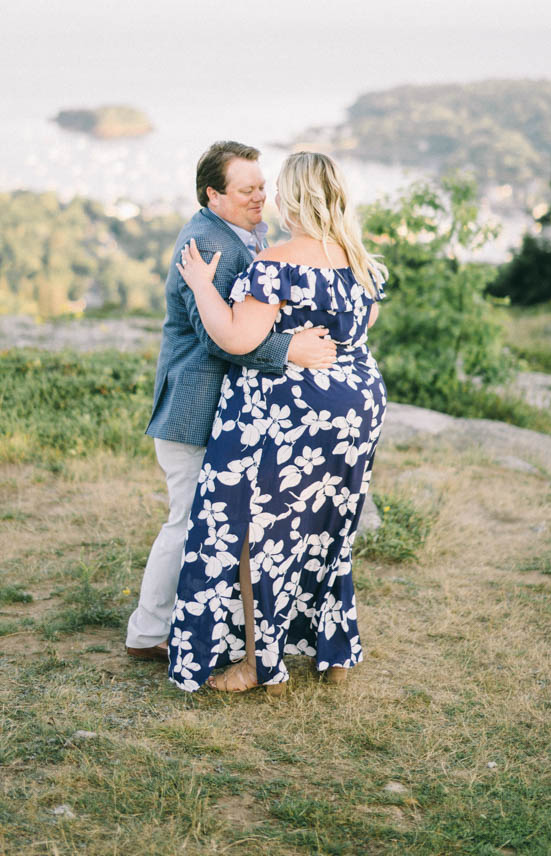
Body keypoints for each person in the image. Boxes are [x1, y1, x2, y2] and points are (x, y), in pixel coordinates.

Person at [168, 150, 387, 694]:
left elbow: (238, 338)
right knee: (328, 530)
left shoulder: (277, 263)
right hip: (356, 408)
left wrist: (200, 284)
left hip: (287, 418)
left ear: (293, 197)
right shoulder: (361, 261)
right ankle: (333, 652)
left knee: (255, 537)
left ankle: (259, 664)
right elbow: (359, 330)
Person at [125, 141, 338, 661]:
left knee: (224, 525)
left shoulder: (243, 231)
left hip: (226, 415)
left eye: (262, 187)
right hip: (193, 413)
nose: (260, 197)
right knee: (188, 522)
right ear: (212, 195)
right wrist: (294, 348)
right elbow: (221, 336)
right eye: (247, 190)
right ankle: (149, 632)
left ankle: (224, 630)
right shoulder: (207, 245)